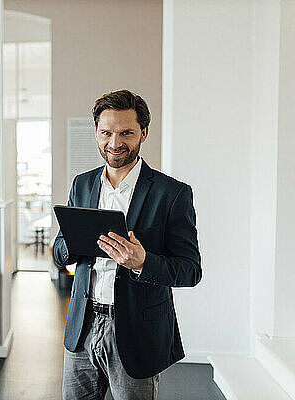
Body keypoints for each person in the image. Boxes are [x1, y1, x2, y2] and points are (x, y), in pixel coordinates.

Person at [53, 89, 202, 400]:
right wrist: (74, 243)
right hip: (82, 327)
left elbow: (189, 271)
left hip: (137, 334)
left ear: (143, 133)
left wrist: (142, 262)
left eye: (126, 133)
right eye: (106, 132)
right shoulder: (82, 184)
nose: (115, 142)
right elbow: (59, 251)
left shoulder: (172, 193)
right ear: (96, 131)